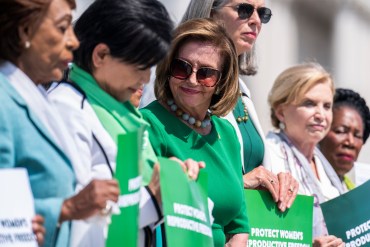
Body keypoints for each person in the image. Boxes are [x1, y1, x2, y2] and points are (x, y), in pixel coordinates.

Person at [47, 0, 204, 246]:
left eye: (151, 67)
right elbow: (75, 225)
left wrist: (171, 180)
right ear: (100, 55)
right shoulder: (67, 110)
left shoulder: (124, 116)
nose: (145, 78)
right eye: (140, 66)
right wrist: (153, 197)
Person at [139, 0, 298, 211]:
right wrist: (237, 185)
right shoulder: (174, 80)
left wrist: (277, 181)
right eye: (244, 9)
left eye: (263, 13)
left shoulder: (242, 91)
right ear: (210, 10)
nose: (256, 20)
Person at [0, 0, 122, 246]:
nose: (74, 41)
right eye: (62, 27)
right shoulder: (4, 101)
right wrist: (67, 208)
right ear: (25, 31)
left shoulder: (35, 98)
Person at [140, 18, 249, 247]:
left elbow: (239, 222)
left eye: (206, 73)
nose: (191, 80)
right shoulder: (149, 124)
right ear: (169, 68)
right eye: (182, 67)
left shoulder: (227, 133)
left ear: (220, 82)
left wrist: (239, 238)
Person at [266, 63, 345, 246]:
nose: (321, 114)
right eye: (309, 104)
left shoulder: (325, 164)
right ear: (281, 111)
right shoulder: (268, 153)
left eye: (327, 106)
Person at [320, 88, 370, 191]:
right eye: (340, 131)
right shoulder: (298, 183)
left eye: (358, 136)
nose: (350, 142)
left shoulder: (354, 192)